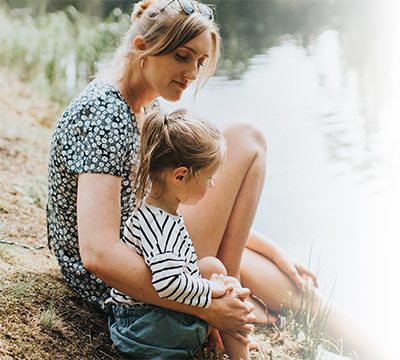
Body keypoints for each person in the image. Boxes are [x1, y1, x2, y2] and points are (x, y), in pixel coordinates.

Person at [47, 0, 386, 358]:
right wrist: (206, 304)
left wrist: (274, 250)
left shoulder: (145, 106)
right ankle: (234, 294)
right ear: (142, 47)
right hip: (131, 278)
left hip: (154, 245)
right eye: (182, 56)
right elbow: (99, 253)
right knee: (246, 138)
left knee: (295, 288)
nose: (192, 72)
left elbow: (171, 200)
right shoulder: (106, 113)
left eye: (200, 62)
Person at [106, 108, 251, 359]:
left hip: (144, 321)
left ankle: (223, 337)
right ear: (180, 176)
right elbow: (168, 283)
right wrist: (211, 290)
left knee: (213, 268)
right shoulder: (159, 226)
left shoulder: (158, 212)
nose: (213, 184)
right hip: (144, 331)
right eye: (209, 177)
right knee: (226, 290)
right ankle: (238, 350)